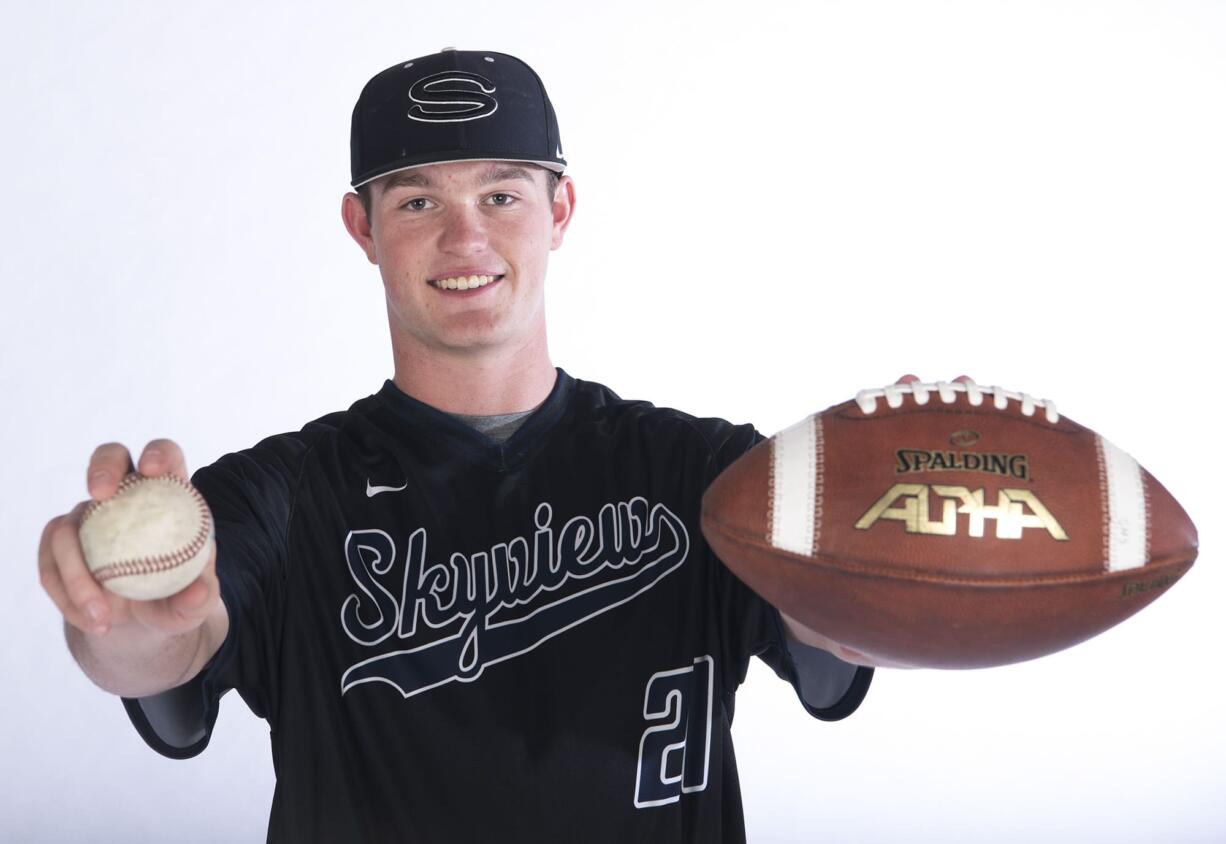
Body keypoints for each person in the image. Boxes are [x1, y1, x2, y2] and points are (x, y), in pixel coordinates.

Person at [39, 48, 876, 843]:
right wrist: (125, 622)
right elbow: (165, 651)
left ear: (560, 211)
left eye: (501, 197)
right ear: (361, 228)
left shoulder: (710, 477)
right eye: (417, 202)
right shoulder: (283, 496)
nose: (465, 239)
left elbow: (831, 647)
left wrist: (862, 569)